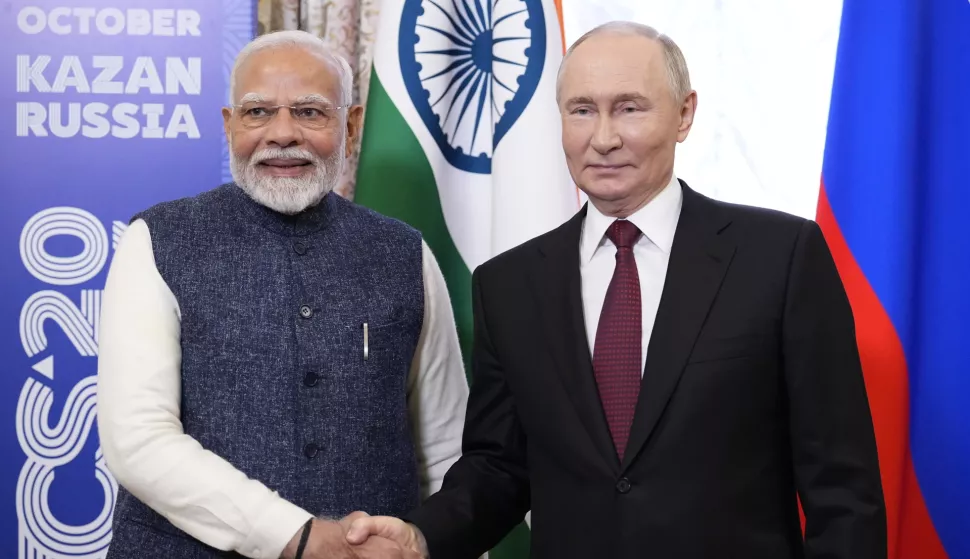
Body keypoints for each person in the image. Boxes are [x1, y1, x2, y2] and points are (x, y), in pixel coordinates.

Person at [344, 21, 887, 559]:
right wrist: (422, 537)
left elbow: (842, 487)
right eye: (581, 110)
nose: (602, 138)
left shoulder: (780, 256)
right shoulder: (509, 284)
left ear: (684, 114)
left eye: (629, 108)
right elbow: (500, 468)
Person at [96, 30, 469, 559]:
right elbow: (138, 441)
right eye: (258, 112)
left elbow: (444, 445)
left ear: (352, 125)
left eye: (311, 112)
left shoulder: (406, 253)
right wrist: (298, 536)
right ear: (229, 126)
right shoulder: (156, 241)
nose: (282, 133)